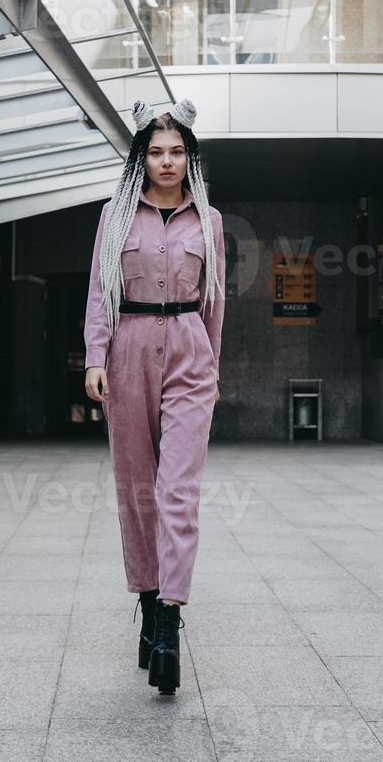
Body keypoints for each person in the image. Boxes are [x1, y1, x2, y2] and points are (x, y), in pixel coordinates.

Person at [83, 98, 226, 695]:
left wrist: (212, 366)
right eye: (155, 152)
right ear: (141, 159)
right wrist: (95, 356)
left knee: (179, 493)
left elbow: (215, 301)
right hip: (129, 350)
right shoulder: (115, 217)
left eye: (176, 152)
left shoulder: (210, 221)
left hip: (190, 353)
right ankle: (146, 600)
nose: (166, 162)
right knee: (138, 489)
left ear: (189, 158)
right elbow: (98, 290)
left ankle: (168, 619)